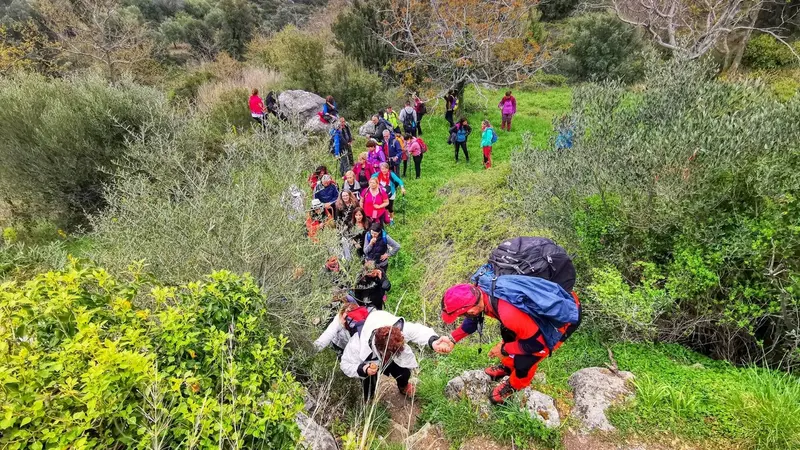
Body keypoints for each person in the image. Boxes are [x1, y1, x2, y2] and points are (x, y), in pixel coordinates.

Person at [439, 281, 581, 405]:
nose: (464, 317)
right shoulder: (480, 291)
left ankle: (516, 385)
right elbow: (473, 321)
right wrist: (452, 339)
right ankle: (508, 367)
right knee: (508, 332)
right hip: (530, 318)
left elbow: (536, 345)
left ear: (471, 309)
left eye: (463, 314)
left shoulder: (508, 312)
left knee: (525, 360)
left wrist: (504, 349)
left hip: (565, 316)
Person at [340, 309, 453, 401]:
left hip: (390, 358)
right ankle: (369, 399)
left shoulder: (398, 329)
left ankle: (403, 386)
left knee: (404, 372)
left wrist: (433, 341)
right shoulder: (357, 344)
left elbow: (419, 331)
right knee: (369, 382)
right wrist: (363, 369)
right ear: (380, 348)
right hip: (370, 363)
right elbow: (345, 364)